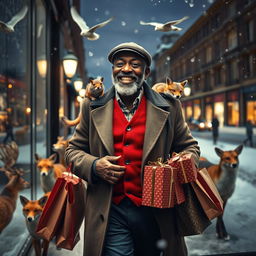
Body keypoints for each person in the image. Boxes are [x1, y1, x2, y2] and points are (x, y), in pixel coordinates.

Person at [65, 42, 200, 256]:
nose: (126, 69)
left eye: (135, 64)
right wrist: (93, 165)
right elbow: (72, 151)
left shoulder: (170, 106)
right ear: (113, 71)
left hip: (157, 212)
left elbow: (189, 147)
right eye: (120, 64)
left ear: (146, 72)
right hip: (110, 211)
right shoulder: (91, 107)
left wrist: (181, 163)